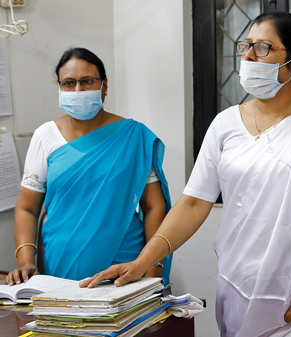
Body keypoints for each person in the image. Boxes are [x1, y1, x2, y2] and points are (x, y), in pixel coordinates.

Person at [80, 12, 291, 337]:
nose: (249, 57)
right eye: (245, 46)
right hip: (239, 290)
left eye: (264, 48)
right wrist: (144, 260)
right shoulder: (225, 124)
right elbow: (194, 203)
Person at [6, 47, 172, 285]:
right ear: (60, 88)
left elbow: (154, 206)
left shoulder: (133, 137)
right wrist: (25, 261)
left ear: (104, 86)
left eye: (87, 81)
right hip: (61, 263)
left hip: (125, 264)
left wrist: (154, 266)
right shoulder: (46, 137)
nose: (78, 90)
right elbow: (27, 209)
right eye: (68, 83)